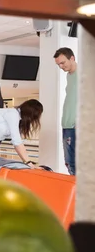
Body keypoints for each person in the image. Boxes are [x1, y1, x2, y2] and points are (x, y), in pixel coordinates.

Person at [54, 47, 78, 175]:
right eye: (58, 64)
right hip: (68, 124)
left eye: (63, 63)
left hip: (78, 125)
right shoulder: (70, 76)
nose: (61, 66)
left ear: (72, 58)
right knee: (69, 162)